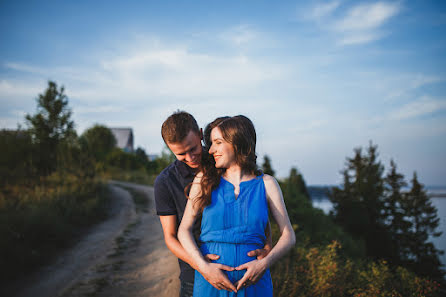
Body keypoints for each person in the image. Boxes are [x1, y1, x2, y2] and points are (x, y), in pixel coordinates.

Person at [154, 111, 272, 297]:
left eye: (193, 149)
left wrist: (267, 246)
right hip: (194, 275)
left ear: (201, 135)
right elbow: (171, 237)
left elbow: (254, 209)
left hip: (244, 273)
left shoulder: (225, 160)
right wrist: (202, 265)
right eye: (181, 154)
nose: (190, 157)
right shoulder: (165, 182)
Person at [178, 115, 296, 296]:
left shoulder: (267, 184)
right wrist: (203, 267)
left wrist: (264, 263)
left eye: (217, 142)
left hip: (255, 283)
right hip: (210, 283)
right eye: (211, 143)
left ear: (236, 142)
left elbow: (288, 235)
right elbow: (183, 230)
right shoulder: (204, 180)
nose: (211, 150)